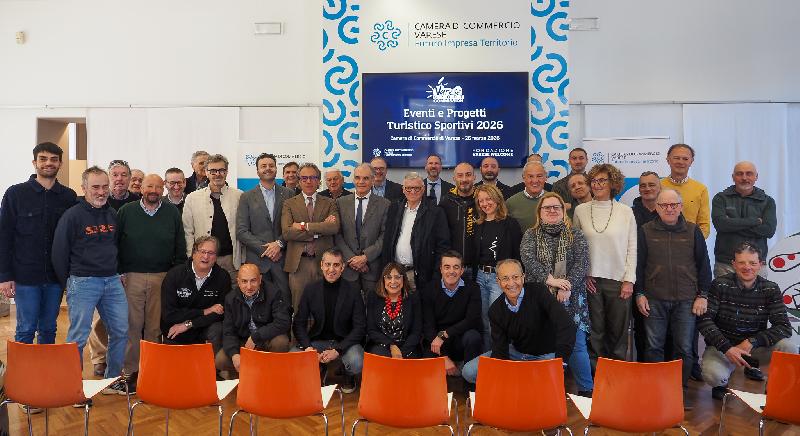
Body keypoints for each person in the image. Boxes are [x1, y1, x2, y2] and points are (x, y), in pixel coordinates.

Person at [52, 166, 128, 396]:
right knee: (78, 337)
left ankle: (111, 380)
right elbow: (59, 253)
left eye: (105, 186)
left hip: (111, 281)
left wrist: (118, 272)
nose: (101, 191)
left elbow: (117, 246)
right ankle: (73, 387)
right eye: (95, 187)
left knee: (120, 331)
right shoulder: (72, 216)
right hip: (83, 282)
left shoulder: (112, 214)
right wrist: (67, 284)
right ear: (84, 188)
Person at [635, 189, 712, 408]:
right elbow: (638, 265)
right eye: (664, 205)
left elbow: (704, 266)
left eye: (673, 205)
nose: (669, 209)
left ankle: (678, 392)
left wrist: (703, 295)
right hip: (654, 298)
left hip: (687, 300)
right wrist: (640, 293)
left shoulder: (693, 231)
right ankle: (656, 391)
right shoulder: (645, 230)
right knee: (653, 347)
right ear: (657, 207)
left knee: (684, 349)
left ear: (680, 207)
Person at [0, 142, 77, 347]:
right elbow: (4, 236)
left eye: (54, 159)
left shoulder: (68, 197)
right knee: (25, 328)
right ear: (34, 162)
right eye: (43, 159)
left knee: (49, 328)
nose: (48, 163)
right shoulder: (15, 194)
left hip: (55, 277)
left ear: (60, 164)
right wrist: (5, 276)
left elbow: (73, 239)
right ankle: (22, 369)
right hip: (25, 276)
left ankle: (45, 367)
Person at [698, 243, 798, 400]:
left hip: (754, 349)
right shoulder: (719, 284)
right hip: (723, 349)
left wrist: (752, 341)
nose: (747, 267)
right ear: (734, 264)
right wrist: (727, 348)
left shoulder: (771, 289)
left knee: (789, 347)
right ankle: (723, 380)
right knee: (714, 376)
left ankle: (774, 388)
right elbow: (704, 321)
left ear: (760, 264)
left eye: (752, 263)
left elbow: (784, 327)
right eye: (741, 262)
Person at [115, 174, 187, 389]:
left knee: (155, 327)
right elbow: (115, 244)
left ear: (163, 189)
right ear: (141, 188)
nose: (153, 190)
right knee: (132, 326)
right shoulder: (126, 211)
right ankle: (130, 371)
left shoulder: (172, 212)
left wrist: (175, 275)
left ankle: (151, 369)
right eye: (149, 186)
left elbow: (180, 244)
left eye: (157, 186)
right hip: (132, 277)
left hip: (162, 277)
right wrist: (119, 271)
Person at [520, 192, 593, 396]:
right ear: (539, 212)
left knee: (577, 345)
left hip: (571, 297)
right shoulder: (530, 235)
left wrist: (566, 287)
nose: (552, 210)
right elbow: (528, 259)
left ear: (563, 211)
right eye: (547, 207)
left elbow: (582, 263)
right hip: (540, 297)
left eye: (556, 207)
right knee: (543, 343)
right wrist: (551, 280)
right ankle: (543, 392)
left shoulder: (576, 234)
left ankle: (587, 391)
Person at [461, 259, 576, 385]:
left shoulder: (539, 292)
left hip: (545, 354)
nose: (511, 283)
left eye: (515, 277)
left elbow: (567, 325)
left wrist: (560, 362)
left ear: (523, 277)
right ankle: (520, 381)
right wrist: (503, 371)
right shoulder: (495, 310)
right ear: (498, 281)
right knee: (469, 371)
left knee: (545, 385)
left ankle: (525, 381)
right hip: (516, 353)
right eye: (505, 278)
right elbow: (500, 349)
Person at [572, 163, 637, 364]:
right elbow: (576, 247)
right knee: (595, 330)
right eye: (594, 180)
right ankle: (596, 371)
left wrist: (629, 280)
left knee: (618, 331)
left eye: (602, 180)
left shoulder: (626, 212)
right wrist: (584, 274)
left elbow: (632, 247)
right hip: (590, 281)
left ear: (613, 183)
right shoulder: (580, 211)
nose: (597, 184)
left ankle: (617, 370)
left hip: (618, 280)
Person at [86, 159, 141, 373]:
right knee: (100, 318)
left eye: (124, 175)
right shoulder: (99, 200)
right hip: (102, 270)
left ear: (129, 178)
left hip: (128, 268)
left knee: (121, 318)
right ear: (109, 178)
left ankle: (121, 359)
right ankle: (99, 356)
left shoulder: (138, 202)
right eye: (115, 175)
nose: (119, 179)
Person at [293, 248, 365, 393]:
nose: (331, 269)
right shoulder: (310, 289)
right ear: (321, 265)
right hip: (317, 341)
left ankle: (347, 373)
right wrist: (309, 348)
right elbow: (299, 323)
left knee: (356, 361)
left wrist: (338, 350)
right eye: (328, 264)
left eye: (336, 265)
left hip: (344, 342)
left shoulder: (353, 290)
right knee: (292, 357)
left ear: (342, 267)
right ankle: (319, 367)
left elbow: (360, 327)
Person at [236, 153, 294, 308]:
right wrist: (268, 250)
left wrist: (279, 244)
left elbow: (293, 226)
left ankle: (284, 325)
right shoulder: (246, 197)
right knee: (259, 304)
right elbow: (241, 231)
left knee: (285, 301)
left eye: (271, 165)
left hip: (282, 259)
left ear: (276, 169)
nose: (268, 168)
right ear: (257, 171)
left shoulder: (289, 194)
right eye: (263, 166)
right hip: (257, 260)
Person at [281, 162, 339, 311]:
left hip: (324, 263)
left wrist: (303, 226)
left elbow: (333, 227)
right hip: (298, 263)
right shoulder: (289, 203)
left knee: (324, 306)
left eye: (313, 177)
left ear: (318, 181)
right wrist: (321, 229)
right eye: (304, 178)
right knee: (299, 308)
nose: (308, 181)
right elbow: (287, 232)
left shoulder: (330, 203)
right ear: (299, 181)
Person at [471, 184, 522, 351]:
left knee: (497, 321)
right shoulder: (478, 224)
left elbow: (518, 255)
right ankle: (488, 356)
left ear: (497, 199)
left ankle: (501, 356)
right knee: (484, 321)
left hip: (500, 279)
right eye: (481, 201)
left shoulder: (510, 223)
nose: (485, 204)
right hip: (480, 276)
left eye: (488, 199)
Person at [216, 263, 291, 375]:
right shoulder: (230, 299)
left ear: (260, 279)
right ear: (238, 282)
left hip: (266, 338)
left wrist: (256, 337)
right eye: (244, 281)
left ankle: (271, 372)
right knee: (220, 360)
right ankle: (250, 372)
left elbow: (283, 322)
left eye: (253, 281)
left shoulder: (274, 292)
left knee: (281, 342)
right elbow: (228, 331)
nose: (249, 286)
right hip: (243, 341)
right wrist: (234, 354)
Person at [161, 236, 230, 355]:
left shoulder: (223, 277)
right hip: (176, 329)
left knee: (218, 329)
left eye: (211, 253)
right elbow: (169, 315)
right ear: (193, 253)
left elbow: (220, 313)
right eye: (202, 251)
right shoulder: (174, 275)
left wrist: (189, 324)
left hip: (203, 327)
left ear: (216, 257)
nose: (206, 256)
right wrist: (205, 311)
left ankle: (213, 364)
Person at [382, 172, 450, 292]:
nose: (412, 191)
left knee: (418, 303)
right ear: (403, 190)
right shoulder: (394, 208)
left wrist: (436, 275)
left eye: (417, 188)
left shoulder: (435, 212)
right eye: (409, 188)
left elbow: (443, 246)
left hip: (421, 275)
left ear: (423, 189)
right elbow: (387, 240)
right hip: (395, 272)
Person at [183, 154, 243, 285]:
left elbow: (244, 229)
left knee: (232, 294)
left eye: (221, 170)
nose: (217, 174)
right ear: (206, 172)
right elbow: (188, 232)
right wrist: (192, 257)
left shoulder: (239, 196)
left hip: (231, 260)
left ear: (227, 172)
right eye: (213, 171)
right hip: (203, 260)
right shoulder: (192, 198)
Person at [421, 251, 483, 377]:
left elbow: (472, 320)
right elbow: (428, 325)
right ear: (441, 269)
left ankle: (469, 379)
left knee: (473, 336)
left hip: (460, 339)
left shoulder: (473, 288)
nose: (451, 271)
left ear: (462, 270)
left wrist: (445, 334)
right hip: (437, 342)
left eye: (456, 267)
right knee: (426, 370)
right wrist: (443, 357)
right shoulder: (429, 289)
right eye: (447, 267)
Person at [711, 161, 776, 278]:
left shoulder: (768, 201)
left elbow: (769, 231)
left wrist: (732, 224)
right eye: (739, 174)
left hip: (756, 264)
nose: (744, 178)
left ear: (756, 177)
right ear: (733, 177)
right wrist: (756, 221)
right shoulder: (720, 198)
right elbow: (721, 225)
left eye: (749, 173)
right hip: (726, 264)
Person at [335, 163, 390, 295]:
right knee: (348, 306)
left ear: (373, 180)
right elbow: (337, 234)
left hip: (372, 268)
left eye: (366, 178)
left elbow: (385, 235)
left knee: (372, 305)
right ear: (353, 180)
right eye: (357, 177)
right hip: (348, 268)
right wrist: (352, 259)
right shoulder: (341, 203)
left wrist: (365, 257)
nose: (361, 182)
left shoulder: (384, 204)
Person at [630, 170, 661, 361]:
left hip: (663, 278)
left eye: (651, 184)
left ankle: (666, 369)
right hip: (638, 275)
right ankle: (642, 366)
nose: (647, 188)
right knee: (641, 325)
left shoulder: (668, 211)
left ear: (660, 187)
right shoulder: (630, 213)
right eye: (643, 185)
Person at [365, 263, 422, 358]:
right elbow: (372, 330)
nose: (393, 281)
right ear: (383, 280)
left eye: (397, 277)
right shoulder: (373, 297)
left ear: (403, 279)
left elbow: (416, 331)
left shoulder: (413, 298)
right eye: (389, 277)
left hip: (408, 346)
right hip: (381, 344)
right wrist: (392, 346)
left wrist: (401, 353)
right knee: (383, 359)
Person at [661, 143, 710, 238]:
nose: (680, 162)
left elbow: (704, 225)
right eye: (676, 158)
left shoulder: (701, 189)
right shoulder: (658, 187)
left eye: (685, 159)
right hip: (662, 242)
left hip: (691, 243)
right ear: (668, 160)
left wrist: (693, 241)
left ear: (691, 161)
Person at [439, 162, 479, 270]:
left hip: (478, 268)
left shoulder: (482, 201)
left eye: (468, 175)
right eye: (460, 175)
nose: (464, 179)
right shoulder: (446, 202)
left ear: (474, 177)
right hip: (453, 267)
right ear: (454, 178)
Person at [506, 161, 548, 231]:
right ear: (523, 178)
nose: (535, 180)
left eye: (539, 176)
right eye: (530, 176)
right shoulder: (511, 203)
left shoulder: (555, 201)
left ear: (546, 177)